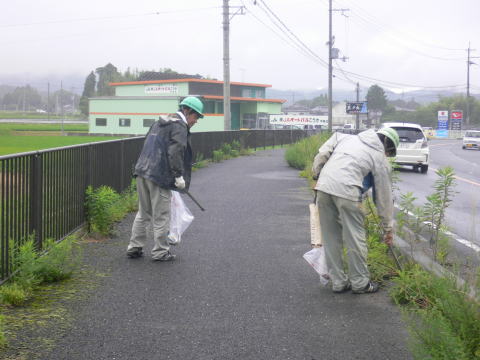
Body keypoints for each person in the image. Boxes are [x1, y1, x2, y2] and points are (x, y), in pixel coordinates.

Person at [311, 127, 399, 294]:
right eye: (389, 152)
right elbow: (383, 197)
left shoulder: (343, 137)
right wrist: (387, 228)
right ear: (388, 146)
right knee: (355, 238)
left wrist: (316, 174)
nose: (387, 155)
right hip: (348, 192)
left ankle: (338, 282)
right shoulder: (379, 158)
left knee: (331, 238)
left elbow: (322, 154)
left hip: (323, 188)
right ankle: (360, 283)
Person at [126, 96, 204, 261]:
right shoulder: (179, 127)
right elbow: (175, 151)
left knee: (144, 212)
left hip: (142, 170)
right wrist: (178, 175)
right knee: (161, 214)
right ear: (187, 111)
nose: (196, 121)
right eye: (196, 116)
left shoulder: (159, 122)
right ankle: (160, 251)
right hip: (159, 175)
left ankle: (134, 247)